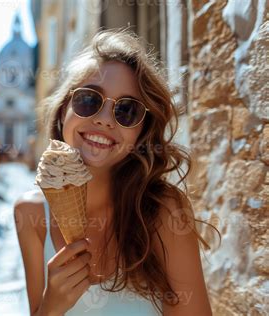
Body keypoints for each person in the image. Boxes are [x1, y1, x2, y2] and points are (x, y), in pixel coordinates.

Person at [13, 30, 219, 315]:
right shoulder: (30, 215)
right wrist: (51, 307)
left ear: (140, 133)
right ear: (63, 112)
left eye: (127, 111)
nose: (105, 120)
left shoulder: (163, 211)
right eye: (88, 100)